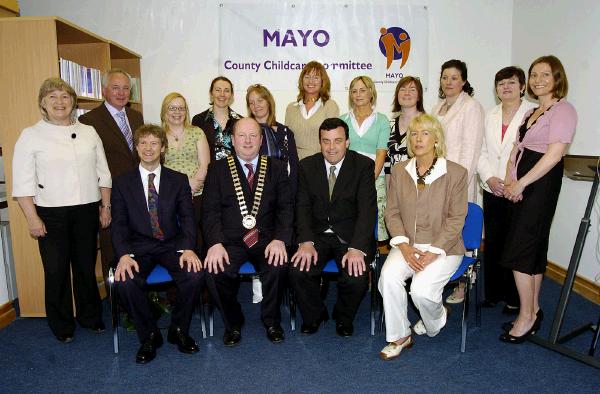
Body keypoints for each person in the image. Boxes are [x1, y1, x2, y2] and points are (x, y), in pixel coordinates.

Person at [13, 77, 112, 343]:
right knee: (56, 271)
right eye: (53, 97)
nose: (60, 102)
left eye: (65, 96)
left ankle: (90, 317)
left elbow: (103, 173)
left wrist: (105, 206)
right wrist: (32, 218)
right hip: (50, 213)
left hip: (87, 209)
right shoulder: (30, 135)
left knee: (84, 266)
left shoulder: (89, 132)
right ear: (43, 104)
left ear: (73, 102)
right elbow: (22, 184)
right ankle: (62, 326)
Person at [499, 55, 577, 344]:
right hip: (522, 181)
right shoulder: (533, 110)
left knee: (521, 251)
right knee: (530, 251)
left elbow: (554, 155)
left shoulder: (563, 110)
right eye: (533, 75)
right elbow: (517, 148)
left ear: (557, 78)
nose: (538, 80)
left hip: (540, 184)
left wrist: (521, 182)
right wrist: (509, 178)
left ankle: (526, 317)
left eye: (545, 75)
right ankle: (533, 309)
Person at [378, 114, 467, 360]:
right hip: (407, 244)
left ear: (436, 139)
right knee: (388, 277)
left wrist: (434, 251)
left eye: (425, 133)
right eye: (414, 134)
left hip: (445, 247)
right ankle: (400, 335)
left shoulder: (456, 173)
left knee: (421, 291)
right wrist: (404, 247)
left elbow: (456, 218)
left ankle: (436, 319)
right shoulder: (399, 170)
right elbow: (392, 212)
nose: (418, 139)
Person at [111, 124, 203, 364]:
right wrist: (123, 254)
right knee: (125, 280)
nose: (148, 148)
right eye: (143, 143)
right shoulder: (122, 183)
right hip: (138, 247)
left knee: (194, 274)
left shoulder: (178, 180)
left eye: (154, 143)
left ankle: (179, 329)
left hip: (172, 245)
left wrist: (189, 248)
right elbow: (119, 223)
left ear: (163, 148)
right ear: (136, 147)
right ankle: (149, 335)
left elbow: (187, 219)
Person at [202, 118, 293, 346]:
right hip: (229, 241)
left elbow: (286, 208)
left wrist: (281, 239)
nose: (248, 141)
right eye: (242, 136)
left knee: (278, 265)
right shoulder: (217, 170)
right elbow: (210, 211)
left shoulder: (278, 168)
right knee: (215, 270)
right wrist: (214, 243)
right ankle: (233, 322)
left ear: (261, 141)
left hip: (267, 240)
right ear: (232, 140)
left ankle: (271, 321)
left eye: (253, 136)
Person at [290, 118, 377, 337]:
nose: (331, 147)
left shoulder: (363, 166)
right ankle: (314, 315)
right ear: (320, 142)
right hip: (317, 235)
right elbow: (301, 207)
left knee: (356, 277)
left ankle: (343, 316)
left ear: (347, 142)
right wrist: (306, 241)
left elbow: (367, 211)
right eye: (326, 141)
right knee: (298, 270)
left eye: (337, 141)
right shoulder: (307, 166)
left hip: (350, 236)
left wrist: (357, 247)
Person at [477, 67, 536, 314]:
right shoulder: (489, 115)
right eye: (501, 83)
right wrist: (489, 177)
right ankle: (493, 293)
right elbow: (481, 152)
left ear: (522, 86)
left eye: (511, 82)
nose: (506, 87)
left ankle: (514, 298)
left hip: (519, 189)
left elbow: (532, 154)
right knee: (493, 242)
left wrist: (513, 180)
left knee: (516, 244)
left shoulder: (533, 113)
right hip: (493, 189)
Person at [79, 68, 144, 281]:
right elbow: (88, 164)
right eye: (115, 88)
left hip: (137, 192)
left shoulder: (136, 116)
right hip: (108, 194)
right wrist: (102, 202)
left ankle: (139, 294)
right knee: (112, 247)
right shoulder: (89, 121)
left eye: (126, 88)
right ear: (104, 90)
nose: (121, 92)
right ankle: (119, 303)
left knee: (139, 242)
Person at [431, 60, 484, 304]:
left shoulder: (471, 107)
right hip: (435, 179)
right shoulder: (437, 107)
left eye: (454, 78)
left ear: (463, 81)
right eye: (445, 77)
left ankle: (462, 285)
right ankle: (441, 276)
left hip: (457, 181)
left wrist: (457, 182)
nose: (448, 82)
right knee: (439, 231)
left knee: (459, 232)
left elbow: (471, 150)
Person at [246, 84, 299, 303]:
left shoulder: (285, 132)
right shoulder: (245, 132)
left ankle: (279, 280)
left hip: (282, 194)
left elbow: (293, 167)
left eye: (260, 100)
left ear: (269, 101)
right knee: (255, 239)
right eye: (251, 102)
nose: (256, 105)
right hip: (253, 198)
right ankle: (259, 279)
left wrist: (291, 197)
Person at [340, 76, 390, 241]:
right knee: (351, 223)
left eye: (362, 90)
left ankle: (375, 261)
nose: (358, 94)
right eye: (354, 91)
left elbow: (381, 153)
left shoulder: (382, 121)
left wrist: (367, 180)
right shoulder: (342, 120)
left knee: (376, 227)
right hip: (348, 180)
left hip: (375, 179)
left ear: (371, 93)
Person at [161, 92, 210, 251]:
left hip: (197, 193)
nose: (177, 112)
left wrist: (191, 186)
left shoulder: (197, 132)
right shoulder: (158, 135)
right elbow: (155, 166)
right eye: (172, 108)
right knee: (173, 238)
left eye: (181, 108)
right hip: (168, 195)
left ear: (186, 111)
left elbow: (205, 164)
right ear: (164, 111)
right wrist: (180, 187)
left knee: (197, 237)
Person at [285, 61, 340, 160]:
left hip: (320, 163)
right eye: (307, 77)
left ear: (323, 82)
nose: (311, 81)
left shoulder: (330, 106)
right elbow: (287, 141)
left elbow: (332, 140)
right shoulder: (291, 108)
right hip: (294, 164)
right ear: (302, 81)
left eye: (316, 77)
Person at [384, 76, 425, 188]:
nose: (406, 93)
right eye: (402, 89)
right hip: (395, 186)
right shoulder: (389, 124)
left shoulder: (427, 124)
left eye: (412, 89)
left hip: (419, 188)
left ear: (419, 97)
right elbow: (387, 164)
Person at [191, 76, 241, 161]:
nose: (222, 94)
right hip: (207, 173)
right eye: (218, 90)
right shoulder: (198, 120)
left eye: (226, 90)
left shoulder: (241, 121)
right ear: (211, 93)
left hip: (235, 173)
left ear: (232, 95)